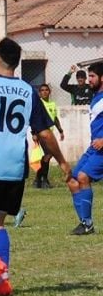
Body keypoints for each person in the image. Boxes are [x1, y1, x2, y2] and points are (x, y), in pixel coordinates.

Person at [0, 37, 70, 296]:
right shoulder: (29, 91)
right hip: (15, 168)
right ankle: (3, 282)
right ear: (17, 64)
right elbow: (44, 133)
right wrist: (62, 162)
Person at [67, 62, 103, 236]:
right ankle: (84, 223)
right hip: (93, 148)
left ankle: (87, 224)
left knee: (83, 177)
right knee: (72, 180)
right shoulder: (96, 96)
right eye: (89, 76)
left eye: (93, 76)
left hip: (102, 148)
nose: (89, 80)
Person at [32, 83, 64, 188]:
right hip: (41, 133)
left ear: (49, 92)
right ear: (39, 93)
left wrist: (60, 130)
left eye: (46, 90)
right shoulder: (38, 103)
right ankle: (44, 180)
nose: (44, 92)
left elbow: (54, 118)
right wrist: (34, 133)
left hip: (50, 134)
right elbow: (33, 119)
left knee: (47, 156)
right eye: (42, 90)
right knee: (48, 155)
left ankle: (38, 180)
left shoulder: (52, 104)